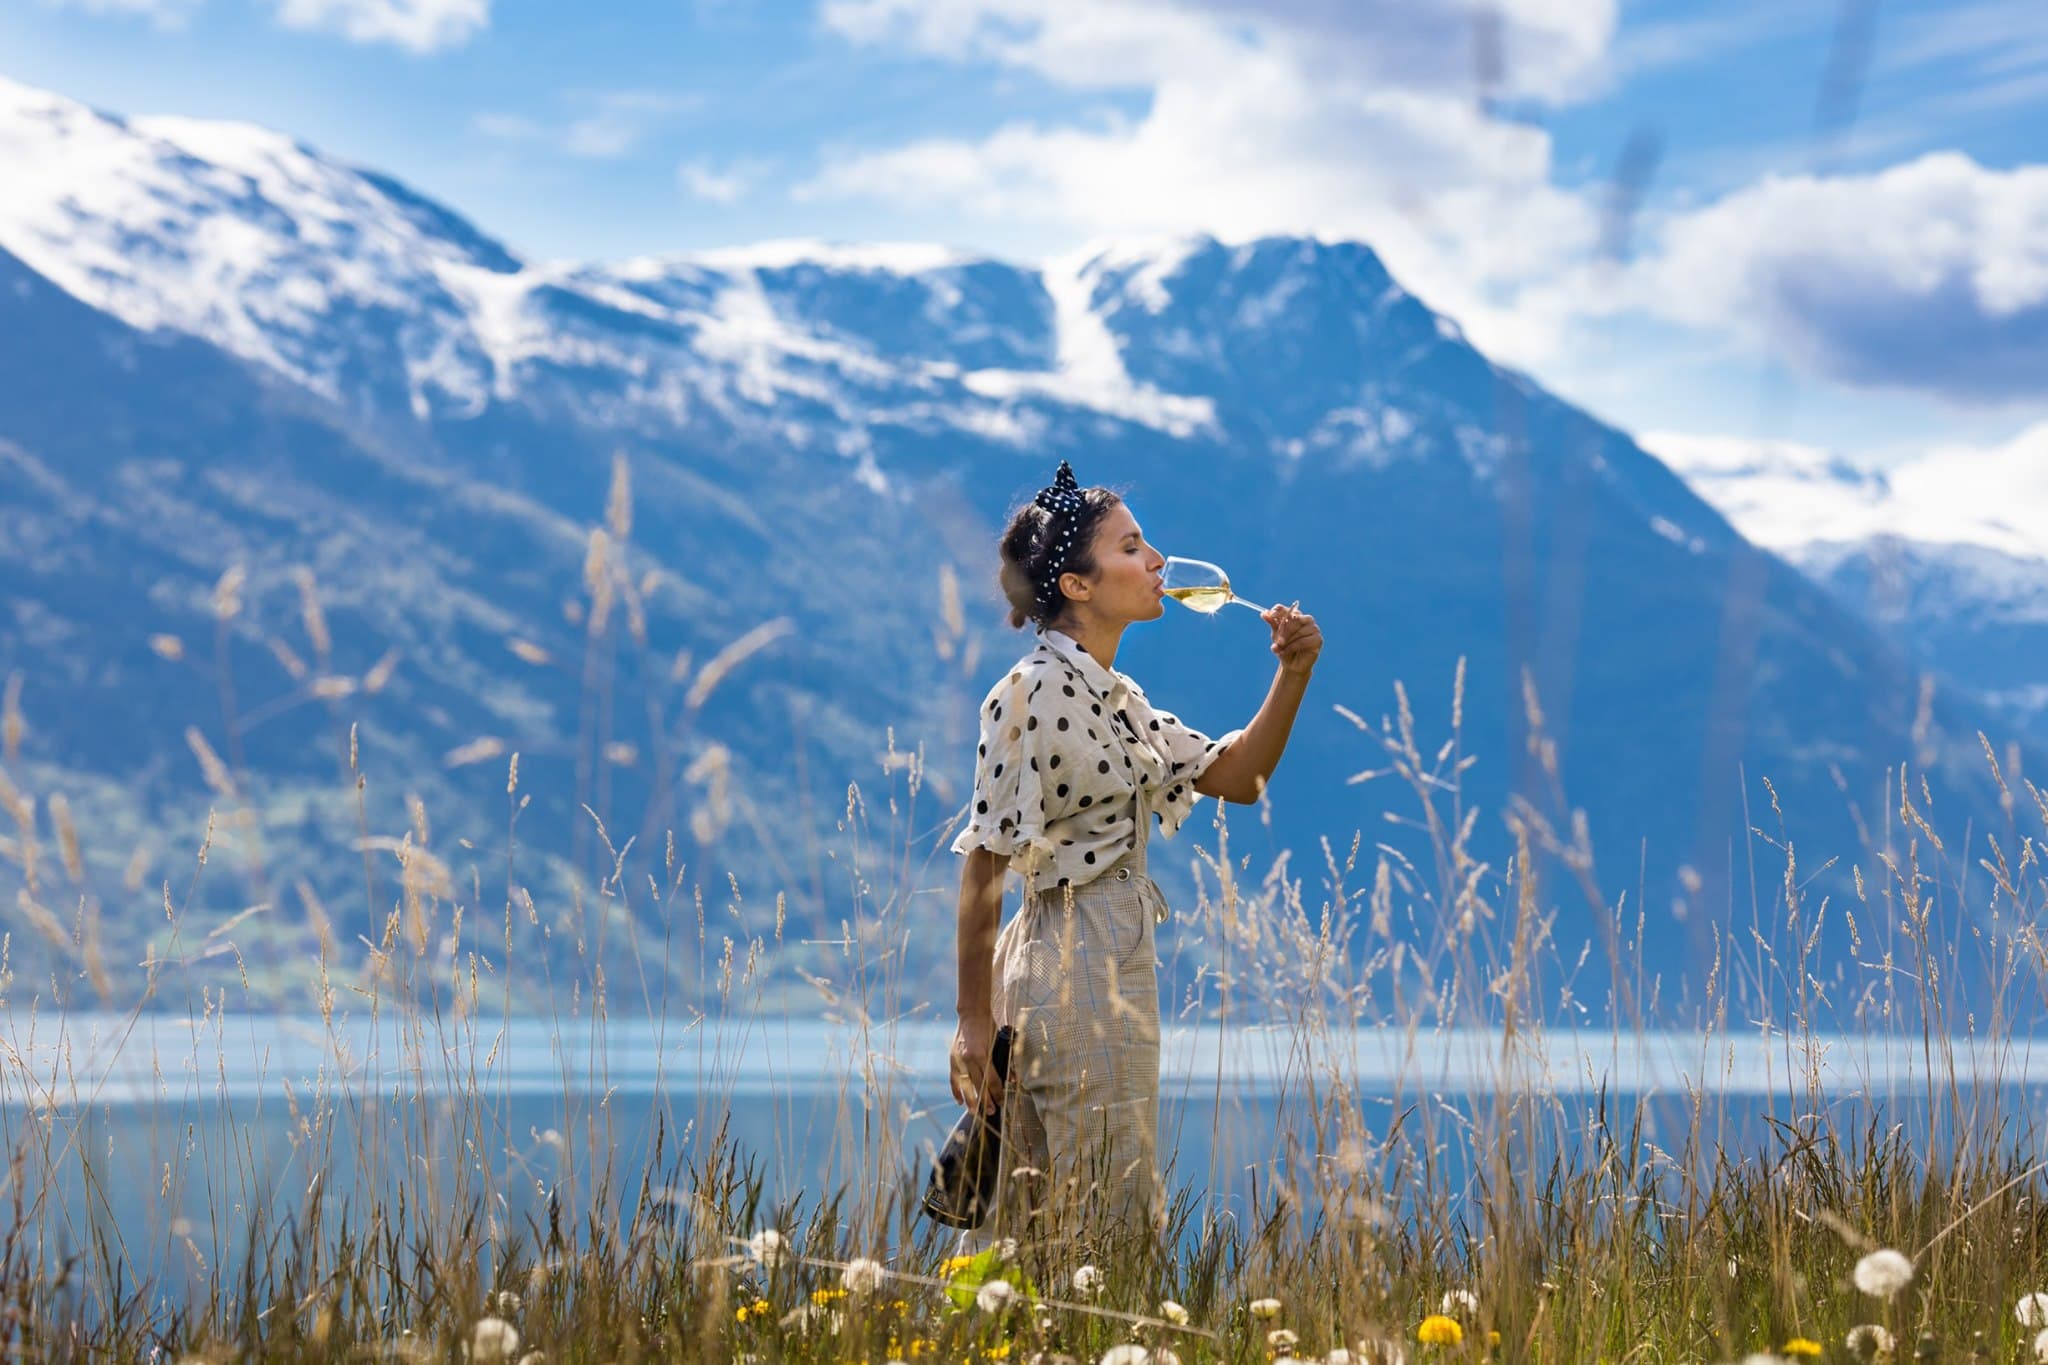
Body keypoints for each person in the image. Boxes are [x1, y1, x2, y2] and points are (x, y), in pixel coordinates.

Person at [948, 460, 1323, 1248]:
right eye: (1132, 546)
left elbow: (1239, 775)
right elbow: (985, 858)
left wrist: (1293, 673)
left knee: (1046, 1225)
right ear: (1079, 586)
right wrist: (972, 1022)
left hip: (1107, 956)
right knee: (1105, 1222)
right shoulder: (1030, 691)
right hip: (1071, 962)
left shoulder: (1114, 696)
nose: (1157, 560)